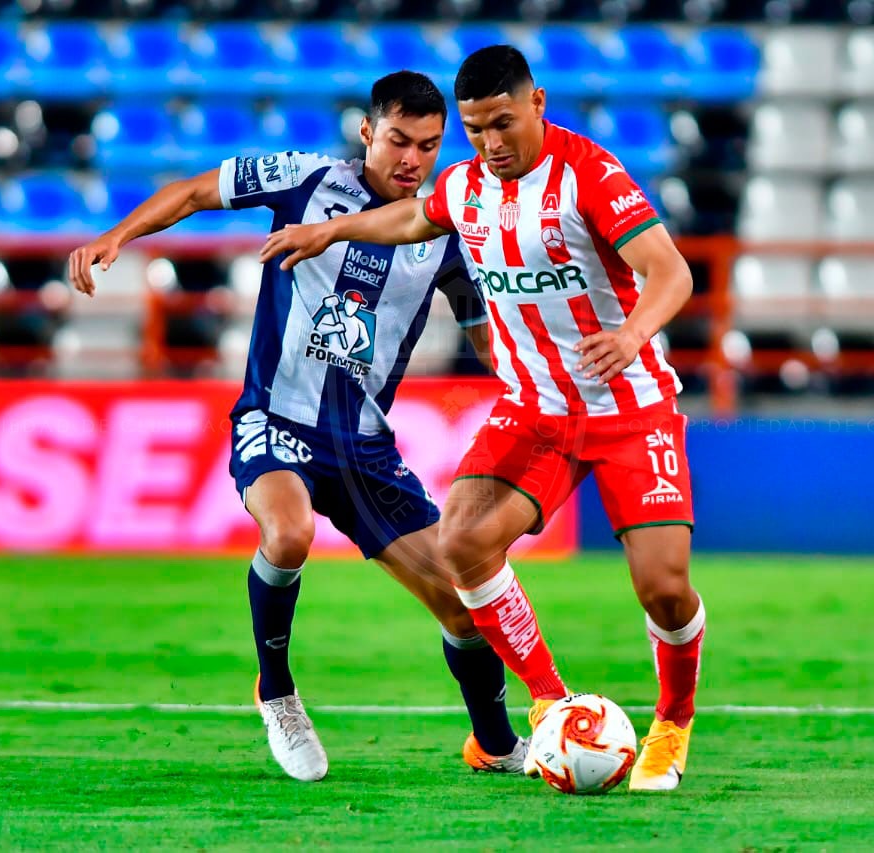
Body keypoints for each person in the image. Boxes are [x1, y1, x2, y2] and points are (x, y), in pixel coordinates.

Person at [260, 46, 703, 792]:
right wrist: (332, 231)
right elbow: (414, 216)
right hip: (535, 410)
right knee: (462, 542)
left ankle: (673, 721)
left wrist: (631, 334)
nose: (490, 143)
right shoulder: (465, 187)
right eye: (474, 129)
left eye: (502, 123)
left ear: (537, 103)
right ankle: (552, 700)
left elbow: (671, 271)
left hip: (631, 409)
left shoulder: (589, 176)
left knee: (663, 588)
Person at [67, 71, 528, 782]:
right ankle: (277, 693)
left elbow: (483, 331)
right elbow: (193, 193)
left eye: (428, 145)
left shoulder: (445, 228)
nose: (411, 159)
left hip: (365, 448)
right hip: (276, 419)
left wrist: (538, 386)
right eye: (398, 140)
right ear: (367, 132)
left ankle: (495, 745)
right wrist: (117, 236)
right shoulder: (306, 180)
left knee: (466, 606)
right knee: (288, 533)